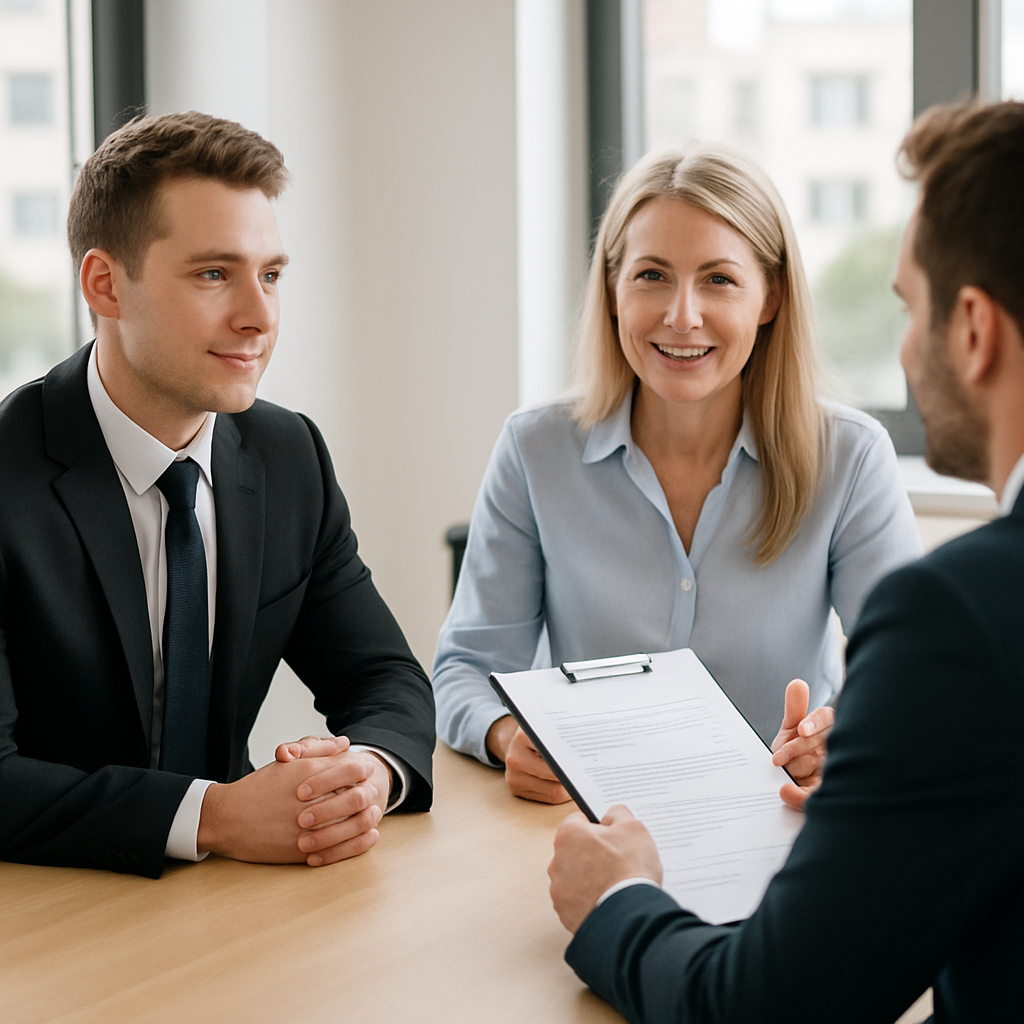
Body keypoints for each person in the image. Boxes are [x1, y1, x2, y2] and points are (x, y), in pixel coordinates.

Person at [548, 100, 1024, 1023]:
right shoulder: (537, 447)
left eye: (906, 307)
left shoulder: (961, 616)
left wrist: (617, 900)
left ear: (971, 328)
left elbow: (765, 1006)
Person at [0, 111, 435, 879]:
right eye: (213, 274)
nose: (259, 318)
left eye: (270, 275)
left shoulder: (287, 453)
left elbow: (383, 677)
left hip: (225, 907)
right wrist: (219, 815)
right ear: (105, 284)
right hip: (44, 918)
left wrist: (365, 774)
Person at [433, 145, 919, 803]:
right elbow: (467, 667)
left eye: (718, 279)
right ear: (611, 289)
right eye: (652, 275)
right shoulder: (534, 448)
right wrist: (506, 734)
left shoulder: (852, 459)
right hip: (590, 827)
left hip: (775, 830)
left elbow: (909, 679)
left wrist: (848, 736)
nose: (681, 316)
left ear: (770, 296)